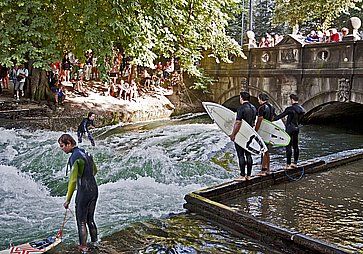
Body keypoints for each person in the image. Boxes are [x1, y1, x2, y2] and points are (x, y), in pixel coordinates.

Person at [58, 134, 98, 253]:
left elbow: (73, 180)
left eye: (62, 146)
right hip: (94, 189)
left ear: (69, 144)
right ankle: (95, 242)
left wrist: (67, 200)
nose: (62, 148)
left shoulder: (74, 157)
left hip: (84, 192)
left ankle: (83, 246)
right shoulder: (86, 153)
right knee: (90, 219)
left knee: (81, 221)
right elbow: (95, 170)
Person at [229, 91, 257, 181]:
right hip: (250, 133)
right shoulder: (254, 108)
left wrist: (233, 134)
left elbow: (238, 122)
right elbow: (253, 122)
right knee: (248, 154)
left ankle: (242, 175)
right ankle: (249, 175)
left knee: (241, 155)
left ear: (241, 98)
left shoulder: (241, 108)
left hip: (241, 133)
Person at [274, 94, 305, 169]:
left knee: (288, 146)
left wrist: (273, 118)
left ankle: (288, 164)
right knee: (296, 146)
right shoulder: (302, 109)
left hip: (289, 129)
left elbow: (280, 116)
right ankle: (295, 163)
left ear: (291, 100)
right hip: (296, 128)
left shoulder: (290, 109)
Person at [255, 93, 276, 176]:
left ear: (261, 99)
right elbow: (272, 118)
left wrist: (255, 130)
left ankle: (263, 170)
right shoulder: (272, 107)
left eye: (258, 99)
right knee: (267, 150)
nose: (258, 100)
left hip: (263, 130)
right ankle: (268, 168)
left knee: (263, 149)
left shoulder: (261, 108)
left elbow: (259, 120)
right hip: (269, 129)